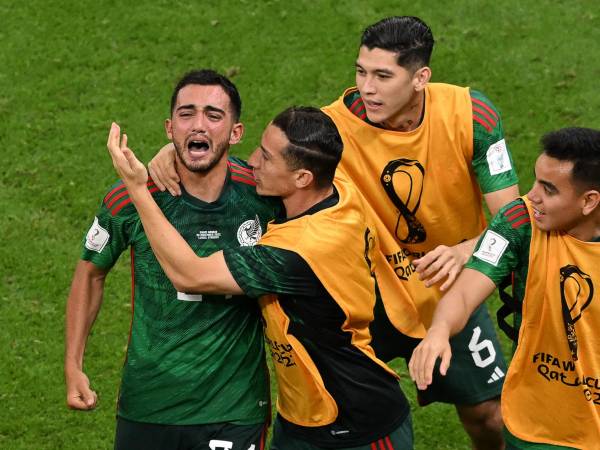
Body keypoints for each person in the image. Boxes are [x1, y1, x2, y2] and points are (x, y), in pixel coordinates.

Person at [147, 16, 519, 448]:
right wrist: (179, 151)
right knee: (351, 407)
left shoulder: (471, 115)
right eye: (361, 71)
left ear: (421, 78)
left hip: (447, 289)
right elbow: (266, 167)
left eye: (383, 75)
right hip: (367, 299)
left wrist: (465, 250)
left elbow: (512, 220)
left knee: (487, 415)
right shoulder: (331, 131)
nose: (367, 88)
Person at [107, 106, 414, 450]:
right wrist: (177, 152)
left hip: (359, 427)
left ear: (302, 179)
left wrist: (138, 189)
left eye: (266, 158)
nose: (252, 160)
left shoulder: (298, 252)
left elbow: (190, 275)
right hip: (299, 421)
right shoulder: (336, 187)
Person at [64, 69, 280, 450]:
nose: (199, 125)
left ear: (235, 132)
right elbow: (91, 271)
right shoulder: (129, 197)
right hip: (149, 403)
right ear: (169, 127)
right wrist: (73, 364)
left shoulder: (264, 197)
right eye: (186, 114)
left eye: (214, 115)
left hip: (235, 406)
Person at [409, 127, 600, 449]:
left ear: (589, 201)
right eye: (536, 180)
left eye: (549, 189)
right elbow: (466, 291)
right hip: (537, 420)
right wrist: (439, 330)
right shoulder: (520, 220)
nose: (533, 195)